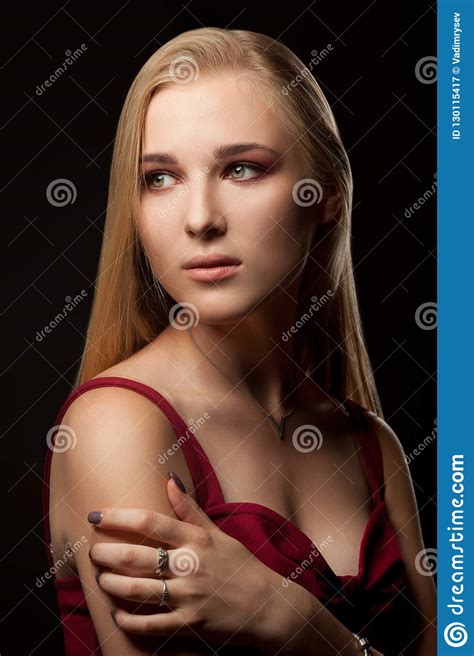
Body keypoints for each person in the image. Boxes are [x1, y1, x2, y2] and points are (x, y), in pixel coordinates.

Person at [43, 26, 436, 655]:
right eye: (161, 178)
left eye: (242, 169)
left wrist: (296, 624)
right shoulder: (117, 426)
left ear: (326, 194)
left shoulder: (372, 444)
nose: (201, 218)